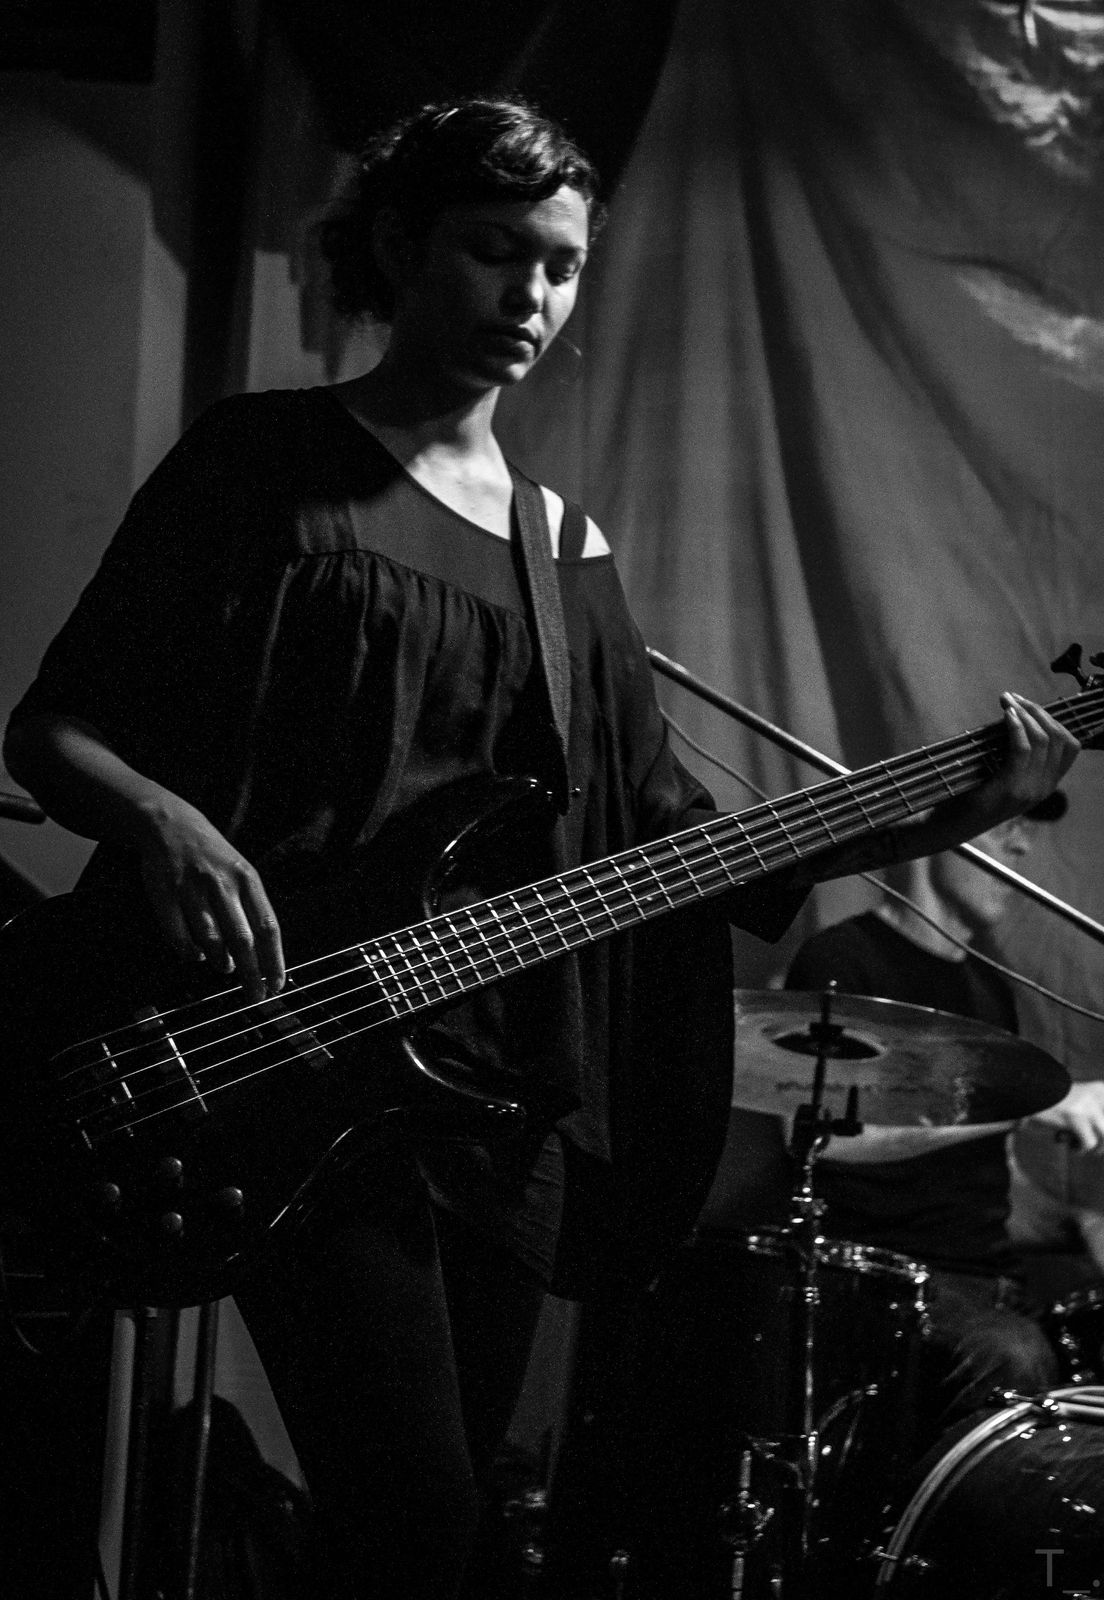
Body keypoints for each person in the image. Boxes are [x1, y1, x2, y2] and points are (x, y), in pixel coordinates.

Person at [2, 97, 1079, 1599]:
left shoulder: (561, 550)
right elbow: (52, 729)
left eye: (563, 266)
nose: (533, 296)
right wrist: (162, 820)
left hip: (492, 1104)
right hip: (280, 1054)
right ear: (400, 245)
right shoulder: (264, 461)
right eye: (497, 251)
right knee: (413, 1530)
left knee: (460, 1534)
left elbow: (685, 846)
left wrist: (959, 804)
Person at [785, 797, 1097, 1441]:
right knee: (1013, 1355)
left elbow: (988, 1177)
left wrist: (1080, 1221)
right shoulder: (844, 961)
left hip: (993, 1280)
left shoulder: (991, 989)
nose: (1023, 848)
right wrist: (1024, 1104)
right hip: (886, 1279)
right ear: (942, 829)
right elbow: (819, 1142)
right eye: (1007, 824)